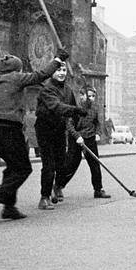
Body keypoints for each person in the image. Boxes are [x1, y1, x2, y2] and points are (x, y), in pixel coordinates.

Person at [0, 50, 68, 225]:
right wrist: (58, 60)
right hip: (8, 129)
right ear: (17, 70)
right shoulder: (15, 78)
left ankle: (9, 208)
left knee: (12, 168)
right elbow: (40, 75)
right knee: (23, 169)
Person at [34, 60, 87, 210]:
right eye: (58, 70)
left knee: (62, 162)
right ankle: (44, 197)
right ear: (52, 72)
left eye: (64, 70)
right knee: (49, 164)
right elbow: (56, 106)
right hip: (45, 128)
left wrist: (79, 119)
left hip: (59, 128)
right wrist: (75, 110)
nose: (62, 73)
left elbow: (72, 110)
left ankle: (57, 187)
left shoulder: (68, 90)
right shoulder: (46, 89)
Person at [54, 85, 111, 199]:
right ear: (81, 96)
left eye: (93, 96)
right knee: (71, 164)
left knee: (95, 163)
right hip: (76, 139)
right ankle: (58, 186)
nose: (90, 98)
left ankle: (98, 189)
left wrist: (98, 133)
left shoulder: (95, 109)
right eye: (88, 96)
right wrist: (77, 136)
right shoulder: (75, 109)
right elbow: (69, 126)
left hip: (90, 138)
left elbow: (98, 123)